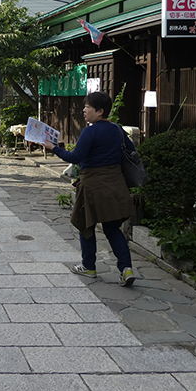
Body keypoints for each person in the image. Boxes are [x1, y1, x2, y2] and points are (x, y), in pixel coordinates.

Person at [42, 91, 136, 287]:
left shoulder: (90, 131)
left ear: (100, 111)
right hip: (115, 184)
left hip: (92, 185)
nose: (84, 110)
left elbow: (75, 158)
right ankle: (126, 269)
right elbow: (131, 152)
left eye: (88, 107)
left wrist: (54, 149)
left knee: (86, 225)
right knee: (112, 228)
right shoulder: (117, 130)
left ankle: (89, 267)